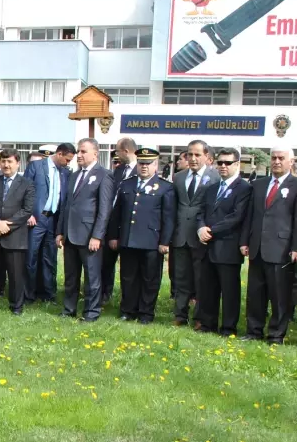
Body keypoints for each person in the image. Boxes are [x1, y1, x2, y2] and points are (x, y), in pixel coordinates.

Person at [241, 147, 297, 344]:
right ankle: (253, 331)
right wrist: (244, 241)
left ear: (291, 161)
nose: (277, 161)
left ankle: (276, 335)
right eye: (274, 158)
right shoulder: (258, 184)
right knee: (255, 293)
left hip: (282, 249)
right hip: (257, 247)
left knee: (280, 295)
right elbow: (250, 216)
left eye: (281, 158)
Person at [106, 148, 176, 324]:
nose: (144, 167)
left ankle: (146, 312)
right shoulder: (127, 184)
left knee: (150, 279)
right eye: (141, 163)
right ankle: (127, 310)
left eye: (148, 163)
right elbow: (117, 213)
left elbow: (168, 218)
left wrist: (165, 241)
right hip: (129, 239)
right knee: (128, 277)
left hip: (152, 241)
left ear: (155, 165)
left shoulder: (165, 187)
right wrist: (114, 236)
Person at [195, 148, 251, 335]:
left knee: (229, 292)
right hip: (207, 246)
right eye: (220, 163)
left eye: (228, 163)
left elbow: (237, 216)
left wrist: (211, 230)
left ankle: (228, 327)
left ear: (237, 164)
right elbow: (201, 212)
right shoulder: (211, 189)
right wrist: (201, 227)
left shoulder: (244, 188)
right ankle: (207, 324)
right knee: (208, 289)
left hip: (228, 247)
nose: (223, 166)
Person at [56, 138, 113, 322]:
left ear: (95, 153)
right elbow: (67, 205)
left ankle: (91, 312)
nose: (78, 155)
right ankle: (69, 308)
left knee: (92, 277)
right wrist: (60, 231)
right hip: (71, 234)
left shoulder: (104, 175)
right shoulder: (74, 175)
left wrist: (97, 235)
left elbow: (104, 210)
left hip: (89, 236)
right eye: (78, 152)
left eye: (83, 152)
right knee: (71, 277)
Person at [0, 149, 35, 314]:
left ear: (17, 163)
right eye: (3, 161)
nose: (6, 165)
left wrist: (7, 225)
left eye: (9, 161)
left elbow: (27, 210)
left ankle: (16, 306)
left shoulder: (27, 184)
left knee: (16, 274)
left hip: (15, 237)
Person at [171, 140, 217, 327]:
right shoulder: (179, 177)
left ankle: (200, 317)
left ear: (207, 157)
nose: (193, 158)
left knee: (201, 279)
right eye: (190, 154)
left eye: (197, 154)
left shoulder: (214, 178)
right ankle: (180, 315)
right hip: (181, 235)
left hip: (202, 236)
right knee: (181, 277)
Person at [24, 143, 71, 306]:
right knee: (31, 256)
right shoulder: (36, 166)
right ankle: (28, 294)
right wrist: (28, 213)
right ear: (59, 154)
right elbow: (25, 190)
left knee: (49, 258)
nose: (68, 163)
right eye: (67, 159)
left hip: (54, 220)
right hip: (36, 219)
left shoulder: (65, 172)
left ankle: (48, 294)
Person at [101, 137, 138, 305]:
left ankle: (128, 299)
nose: (116, 154)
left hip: (130, 223)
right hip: (112, 222)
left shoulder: (142, 169)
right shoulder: (118, 169)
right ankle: (104, 293)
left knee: (128, 267)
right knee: (106, 262)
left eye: (117, 150)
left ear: (126, 151)